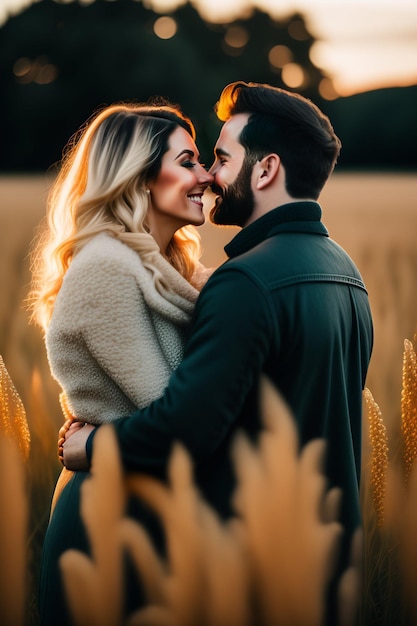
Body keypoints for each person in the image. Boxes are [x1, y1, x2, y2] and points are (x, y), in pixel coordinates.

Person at [64, 81, 374, 619]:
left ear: (265, 170)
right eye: (198, 160)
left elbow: (185, 427)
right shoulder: (346, 272)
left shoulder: (245, 282)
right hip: (322, 562)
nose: (210, 175)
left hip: (252, 568)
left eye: (221, 158)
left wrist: (88, 447)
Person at [29, 101, 213, 625]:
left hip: (153, 501)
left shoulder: (170, 265)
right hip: (109, 511)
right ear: (139, 175)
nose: (206, 177)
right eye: (188, 161)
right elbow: (172, 413)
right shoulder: (105, 268)